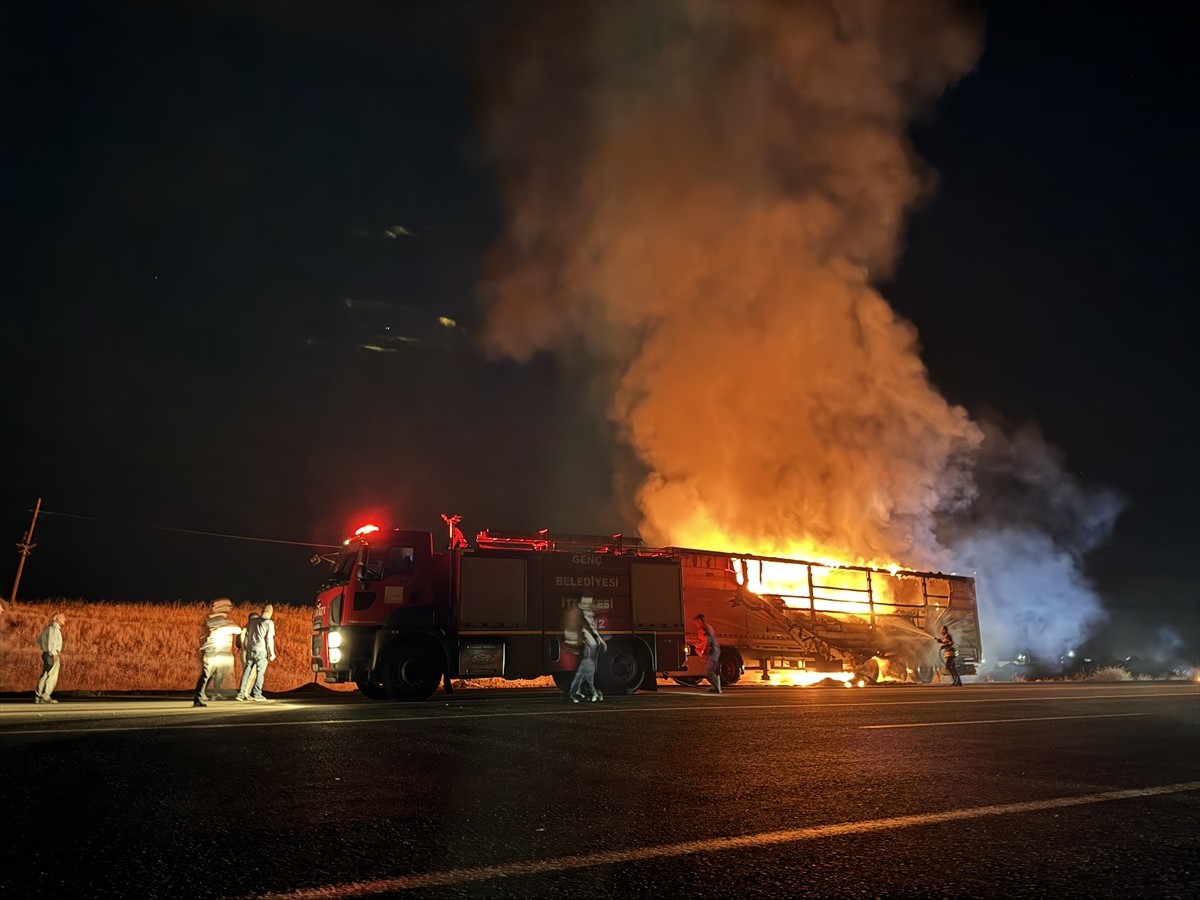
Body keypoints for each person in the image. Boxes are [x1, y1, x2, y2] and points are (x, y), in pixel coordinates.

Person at [193, 600, 240, 707]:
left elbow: (237, 630)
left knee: (215, 674)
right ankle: (200, 697)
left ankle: (208, 694)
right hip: (212, 652)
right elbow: (235, 630)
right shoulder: (213, 621)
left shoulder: (222, 621)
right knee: (207, 675)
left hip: (218, 653)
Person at [568, 596, 607, 703]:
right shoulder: (584, 614)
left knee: (584, 672)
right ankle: (590, 692)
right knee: (586, 672)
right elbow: (589, 628)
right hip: (589, 646)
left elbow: (589, 628)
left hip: (589, 646)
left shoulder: (583, 614)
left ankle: (582, 692)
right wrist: (598, 639)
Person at [235, 605, 277, 702]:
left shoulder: (252, 622)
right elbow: (269, 638)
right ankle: (257, 694)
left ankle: (241, 694)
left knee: (246, 672)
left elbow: (244, 632)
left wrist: (243, 646)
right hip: (261, 651)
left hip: (250, 651)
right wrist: (272, 652)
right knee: (260, 673)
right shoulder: (269, 622)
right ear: (270, 612)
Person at [35, 611, 66, 703]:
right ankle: (46, 694)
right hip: (52, 654)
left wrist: (44, 648)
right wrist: (53, 653)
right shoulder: (54, 629)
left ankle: (39, 695)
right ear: (57, 619)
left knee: (45, 674)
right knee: (52, 675)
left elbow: (39, 639)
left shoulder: (48, 629)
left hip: (46, 654)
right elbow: (51, 642)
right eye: (63, 617)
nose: (65, 619)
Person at [695, 613, 721, 693]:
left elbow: (707, 641)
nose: (696, 624)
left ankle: (717, 689)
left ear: (700, 620)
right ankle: (717, 688)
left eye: (696, 621)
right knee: (712, 671)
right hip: (714, 651)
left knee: (710, 672)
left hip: (712, 651)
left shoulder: (705, 629)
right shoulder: (708, 627)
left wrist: (701, 650)